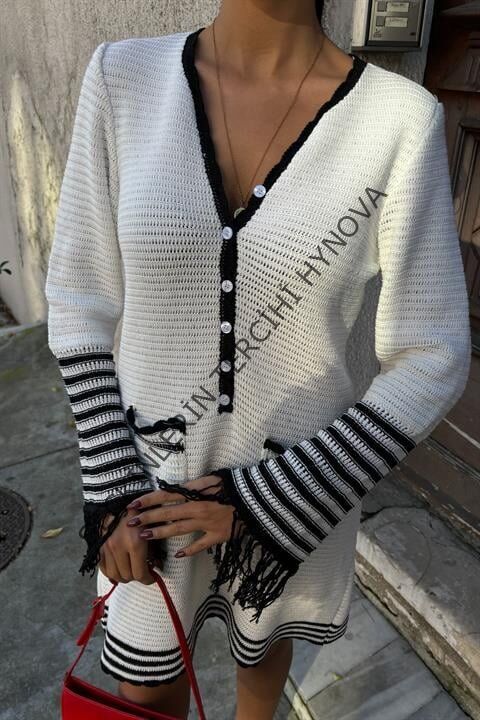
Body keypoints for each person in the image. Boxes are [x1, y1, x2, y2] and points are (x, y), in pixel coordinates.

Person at [44, 0, 471, 717]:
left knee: (264, 655)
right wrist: (111, 480)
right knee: (145, 687)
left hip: (299, 492)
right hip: (146, 491)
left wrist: (272, 500)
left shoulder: (399, 119)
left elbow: (433, 353)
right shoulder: (123, 78)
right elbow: (79, 298)